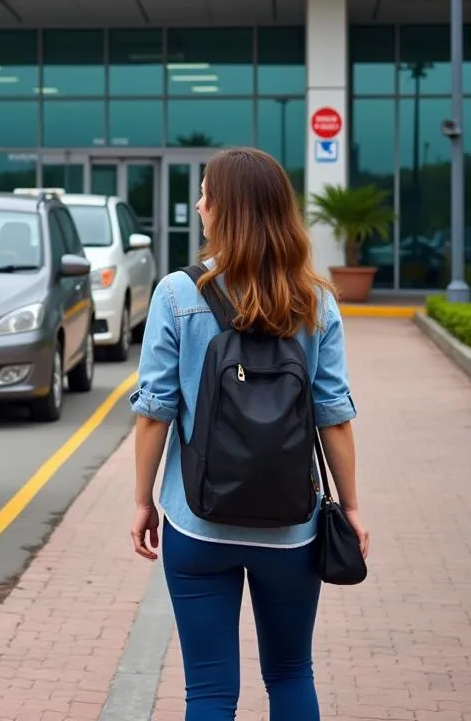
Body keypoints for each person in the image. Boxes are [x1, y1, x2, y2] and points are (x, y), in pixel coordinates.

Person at [129, 147, 369, 720]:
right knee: (290, 673)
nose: (199, 203)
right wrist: (352, 507)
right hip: (292, 526)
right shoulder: (316, 300)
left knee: (209, 693)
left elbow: (155, 412)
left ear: (224, 210)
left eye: (206, 193)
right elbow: (332, 413)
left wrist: (143, 501)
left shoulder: (177, 294)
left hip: (197, 520)